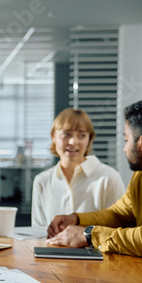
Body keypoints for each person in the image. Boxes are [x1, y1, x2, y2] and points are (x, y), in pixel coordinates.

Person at [47, 100, 142, 257]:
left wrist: (90, 235)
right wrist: (76, 219)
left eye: (126, 140)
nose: (125, 148)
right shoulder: (139, 176)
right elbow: (119, 215)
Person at [32, 108, 125, 227]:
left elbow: (119, 227)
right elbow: (38, 233)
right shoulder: (42, 181)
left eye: (81, 135)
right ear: (53, 136)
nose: (73, 142)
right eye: (66, 134)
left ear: (89, 139)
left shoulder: (109, 178)